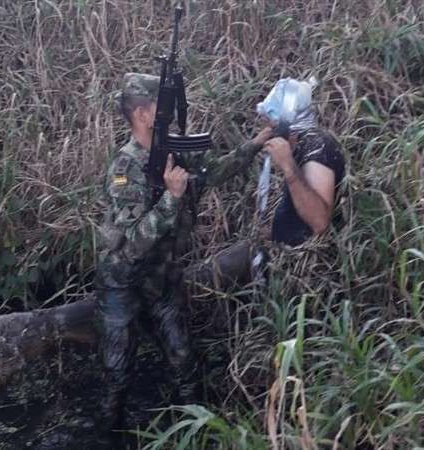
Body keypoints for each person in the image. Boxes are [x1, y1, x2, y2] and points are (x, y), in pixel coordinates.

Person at [94, 72, 275, 432]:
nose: (172, 111)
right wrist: (171, 200)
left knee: (184, 359)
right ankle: (109, 434)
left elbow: (215, 171)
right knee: (117, 373)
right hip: (124, 281)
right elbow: (131, 243)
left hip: (163, 277)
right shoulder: (124, 168)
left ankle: (198, 431)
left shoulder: (175, 152)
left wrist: (257, 142)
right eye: (163, 105)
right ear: (144, 115)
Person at [187, 77, 346, 288]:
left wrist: (288, 166)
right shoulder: (303, 143)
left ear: (286, 123)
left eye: (270, 122)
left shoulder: (318, 147)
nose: (266, 127)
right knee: (205, 271)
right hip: (275, 246)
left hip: (296, 263)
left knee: (195, 280)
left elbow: (319, 223)